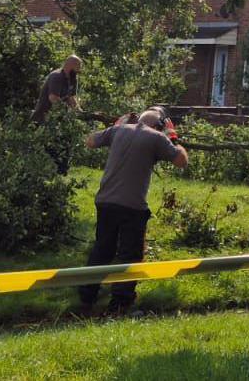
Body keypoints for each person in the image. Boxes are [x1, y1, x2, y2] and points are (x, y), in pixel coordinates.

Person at [78, 108, 188, 314]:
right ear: (160, 125)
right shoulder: (157, 137)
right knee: (130, 256)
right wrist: (172, 137)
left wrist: (116, 124)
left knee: (102, 250)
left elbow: (90, 141)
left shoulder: (119, 130)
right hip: (132, 206)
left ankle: (86, 299)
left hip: (105, 201)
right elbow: (182, 161)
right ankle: (121, 305)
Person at [32, 56, 81, 174]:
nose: (80, 70)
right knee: (49, 146)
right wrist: (67, 111)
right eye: (78, 67)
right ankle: (46, 171)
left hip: (60, 118)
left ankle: (62, 172)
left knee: (66, 142)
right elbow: (53, 98)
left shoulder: (73, 78)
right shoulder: (56, 76)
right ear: (70, 65)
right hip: (44, 117)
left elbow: (71, 98)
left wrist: (79, 111)